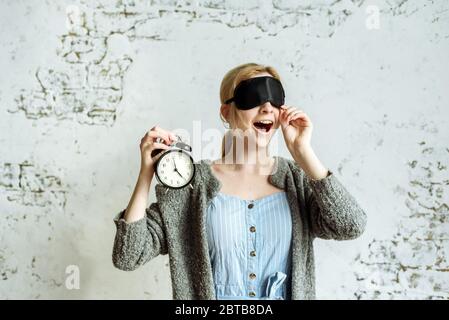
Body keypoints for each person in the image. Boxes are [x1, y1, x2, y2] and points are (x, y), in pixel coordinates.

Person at [112, 62, 367, 300]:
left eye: (275, 99)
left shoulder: (296, 181)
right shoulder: (192, 186)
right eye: (253, 98)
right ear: (226, 111)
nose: (267, 108)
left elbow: (350, 225)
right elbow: (128, 256)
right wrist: (146, 173)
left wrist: (303, 153)